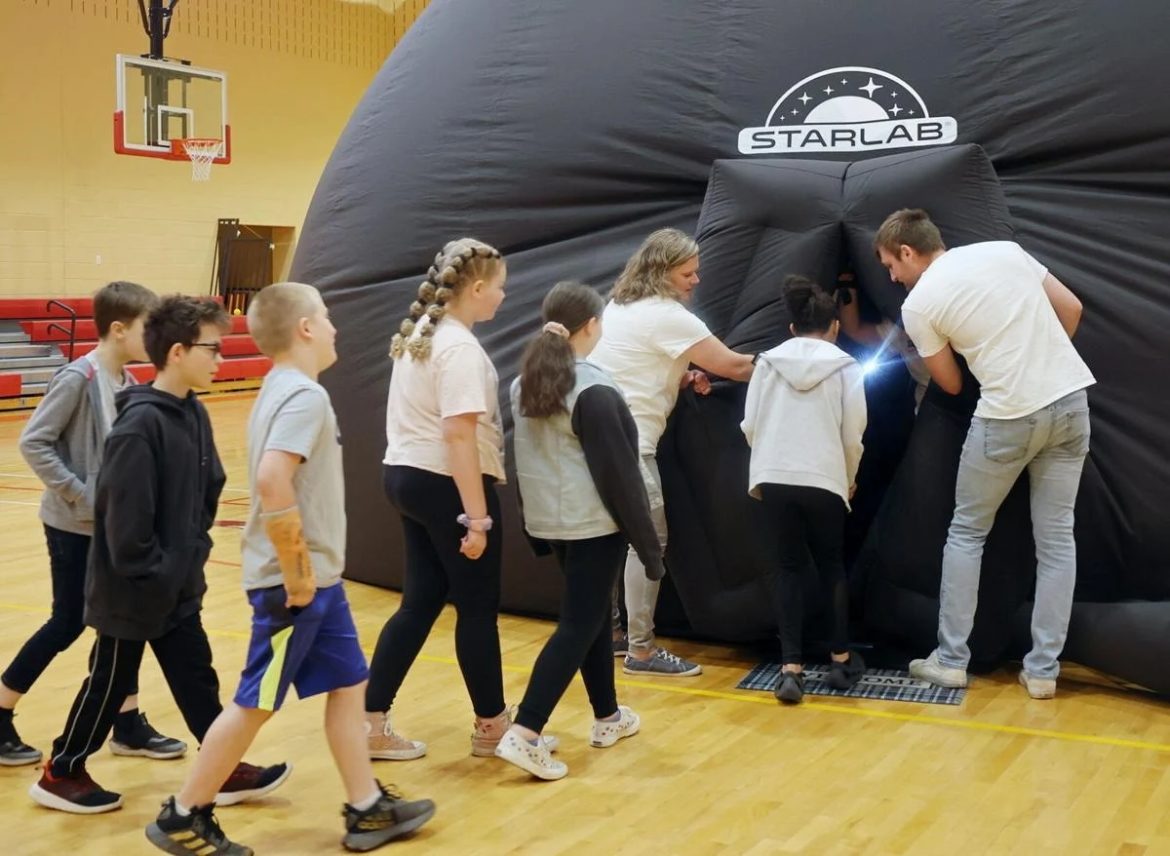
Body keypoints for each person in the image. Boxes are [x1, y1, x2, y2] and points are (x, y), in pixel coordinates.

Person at [145, 283, 434, 855]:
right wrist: (298, 574)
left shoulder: (282, 387)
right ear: (304, 328)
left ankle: (366, 807)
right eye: (325, 317)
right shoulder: (303, 396)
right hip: (294, 587)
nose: (333, 327)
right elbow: (273, 479)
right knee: (256, 702)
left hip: (319, 583)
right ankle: (184, 814)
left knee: (349, 686)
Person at [29, 295, 288, 814]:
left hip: (176, 581)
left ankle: (221, 765)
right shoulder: (138, 426)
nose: (220, 360)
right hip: (132, 589)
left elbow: (210, 486)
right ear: (177, 352)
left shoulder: (192, 412)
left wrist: (192, 552)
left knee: (196, 673)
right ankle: (62, 771)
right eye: (212, 349)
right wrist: (160, 569)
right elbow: (125, 524)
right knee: (108, 684)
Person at [874, 209, 1094, 699]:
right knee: (1057, 541)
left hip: (1006, 415)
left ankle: (952, 660)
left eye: (891, 265)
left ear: (908, 251)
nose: (892, 277)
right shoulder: (1005, 251)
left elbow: (951, 384)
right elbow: (1072, 308)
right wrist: (1041, 361)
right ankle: (1043, 671)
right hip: (1070, 400)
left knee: (967, 532)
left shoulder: (919, 303)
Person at [367, 239, 556, 759]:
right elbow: (458, 436)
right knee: (476, 607)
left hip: (406, 475)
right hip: (444, 483)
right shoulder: (459, 349)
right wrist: (477, 518)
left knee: (421, 602)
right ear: (475, 288)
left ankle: (370, 723)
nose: (502, 295)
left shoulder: (420, 336)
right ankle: (492, 726)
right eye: (499, 287)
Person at [2, 281, 185, 766]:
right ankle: (0, 710)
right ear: (119, 329)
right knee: (66, 623)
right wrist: (83, 495)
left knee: (119, 625)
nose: (156, 338)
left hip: (112, 529)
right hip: (73, 527)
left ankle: (126, 723)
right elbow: (34, 442)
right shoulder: (78, 378)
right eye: (148, 328)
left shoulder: (127, 382)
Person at [497, 282, 658, 780]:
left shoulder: (523, 382)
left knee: (592, 617)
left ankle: (607, 716)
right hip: (592, 525)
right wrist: (648, 543)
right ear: (591, 325)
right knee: (579, 623)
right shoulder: (593, 388)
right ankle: (526, 731)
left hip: (552, 521)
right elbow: (620, 474)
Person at [590, 227, 755, 677]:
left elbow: (631, 365)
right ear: (662, 273)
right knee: (648, 543)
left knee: (610, 540)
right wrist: (799, 362)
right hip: (631, 447)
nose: (696, 280)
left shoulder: (618, 307)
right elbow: (734, 365)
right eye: (688, 273)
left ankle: (613, 633)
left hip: (594, 443)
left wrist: (679, 376)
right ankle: (641, 652)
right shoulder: (668, 316)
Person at [741, 276, 868, 704]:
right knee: (831, 565)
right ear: (834, 327)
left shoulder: (767, 362)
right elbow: (853, 433)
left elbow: (750, 424)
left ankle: (791, 669)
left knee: (786, 567)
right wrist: (848, 477)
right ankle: (840, 660)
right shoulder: (846, 366)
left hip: (773, 475)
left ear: (792, 328)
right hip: (824, 476)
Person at [835, 270, 931, 408]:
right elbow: (853, 330)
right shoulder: (899, 327)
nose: (894, 276)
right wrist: (847, 283)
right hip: (929, 399)